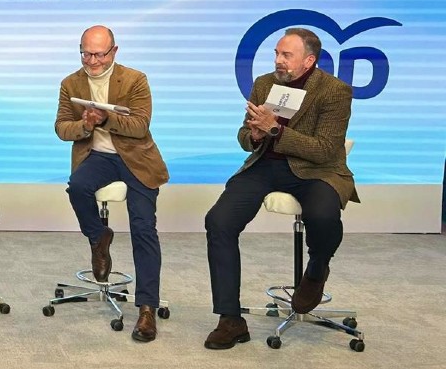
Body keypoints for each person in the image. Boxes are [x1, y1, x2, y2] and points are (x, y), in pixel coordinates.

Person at [203, 27, 357, 350]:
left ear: (309, 61)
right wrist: (256, 136)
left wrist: (274, 129)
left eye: (286, 55)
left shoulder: (334, 91)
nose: (278, 61)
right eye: (276, 53)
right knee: (218, 221)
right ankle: (230, 319)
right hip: (267, 165)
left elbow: (325, 149)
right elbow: (244, 137)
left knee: (324, 216)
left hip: (316, 170)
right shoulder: (264, 84)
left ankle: (316, 269)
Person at [54, 25, 168, 342]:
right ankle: (98, 237)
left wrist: (106, 119)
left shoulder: (135, 80)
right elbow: (62, 128)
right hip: (98, 157)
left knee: (143, 227)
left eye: (99, 54)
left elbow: (140, 125)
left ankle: (147, 308)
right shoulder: (70, 83)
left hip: (136, 158)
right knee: (77, 187)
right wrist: (84, 125)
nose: (91, 61)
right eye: (86, 53)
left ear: (114, 52)